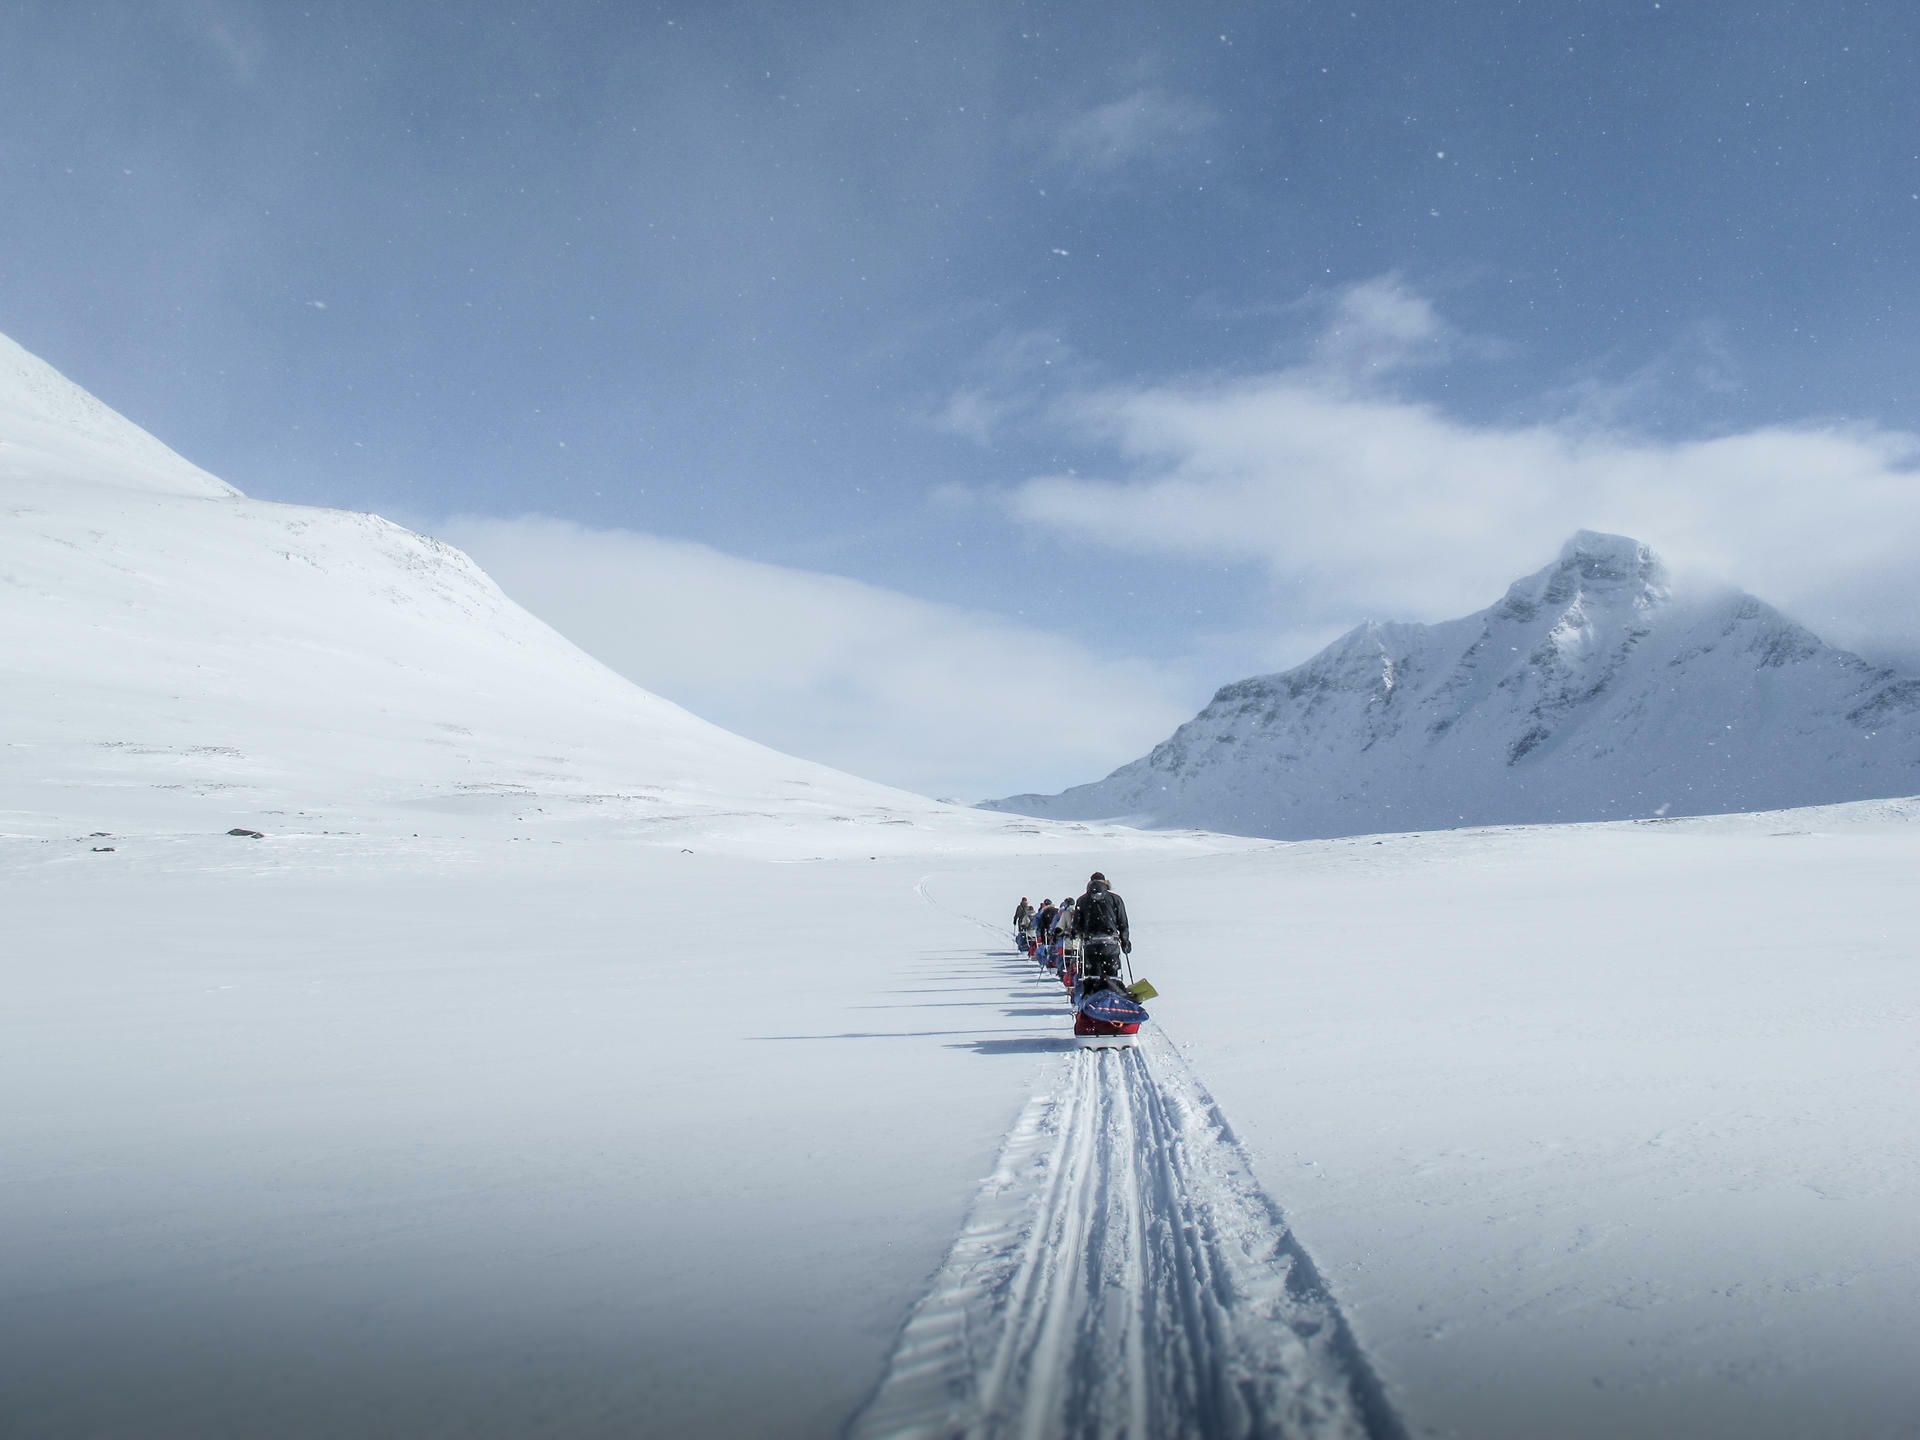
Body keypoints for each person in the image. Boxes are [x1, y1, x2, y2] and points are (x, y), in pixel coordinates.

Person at [1074, 871, 1130, 981]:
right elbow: (1123, 922)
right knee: (1112, 978)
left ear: (1090, 883)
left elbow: (1077, 925)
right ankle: (1112, 992)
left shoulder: (1082, 900)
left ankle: (1094, 994)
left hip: (1091, 945)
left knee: (1092, 978)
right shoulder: (1115, 899)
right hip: (1111, 945)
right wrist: (1125, 942)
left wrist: (1079, 933)